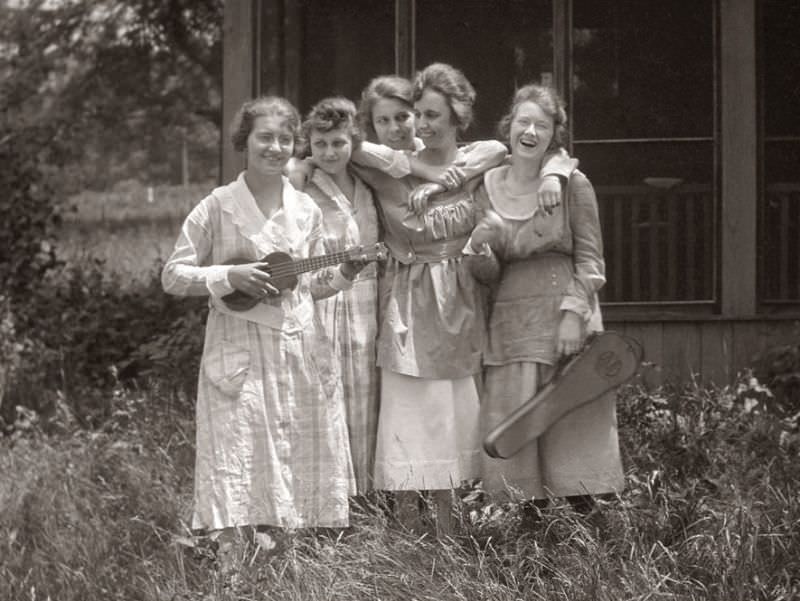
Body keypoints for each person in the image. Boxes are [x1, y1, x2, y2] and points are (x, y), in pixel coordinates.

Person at [351, 65, 578, 532]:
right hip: (410, 306)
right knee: (411, 419)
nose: (422, 124)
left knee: (454, 419)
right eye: (418, 114)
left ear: (457, 115)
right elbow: (333, 146)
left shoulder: (482, 159)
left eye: (432, 115)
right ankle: (407, 542)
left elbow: (532, 150)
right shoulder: (384, 165)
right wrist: (420, 169)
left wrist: (443, 181)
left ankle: (454, 537)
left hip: (465, 299)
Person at [161, 96, 360, 568]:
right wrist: (227, 276)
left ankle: (291, 573)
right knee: (238, 458)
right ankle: (233, 574)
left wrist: (347, 272)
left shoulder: (305, 210)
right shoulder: (218, 206)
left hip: (297, 349)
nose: (275, 147)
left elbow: (310, 286)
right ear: (243, 143)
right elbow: (172, 275)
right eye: (264, 137)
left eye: (284, 139)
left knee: (293, 462)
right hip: (239, 353)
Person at [471, 84, 624, 514]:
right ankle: (532, 552)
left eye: (542, 124)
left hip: (564, 319)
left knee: (573, 428)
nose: (531, 131)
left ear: (554, 133)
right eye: (524, 121)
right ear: (509, 126)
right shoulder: (487, 187)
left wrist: (574, 315)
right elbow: (486, 274)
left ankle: (588, 546)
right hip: (511, 324)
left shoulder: (573, 183)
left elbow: (591, 261)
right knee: (517, 431)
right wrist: (480, 247)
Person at [300, 96, 380, 495]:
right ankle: (328, 505)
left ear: (353, 143)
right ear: (309, 147)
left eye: (338, 143)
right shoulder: (303, 188)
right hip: (325, 304)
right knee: (327, 403)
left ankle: (367, 504)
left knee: (368, 407)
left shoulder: (370, 185)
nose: (330, 152)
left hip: (370, 309)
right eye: (320, 145)